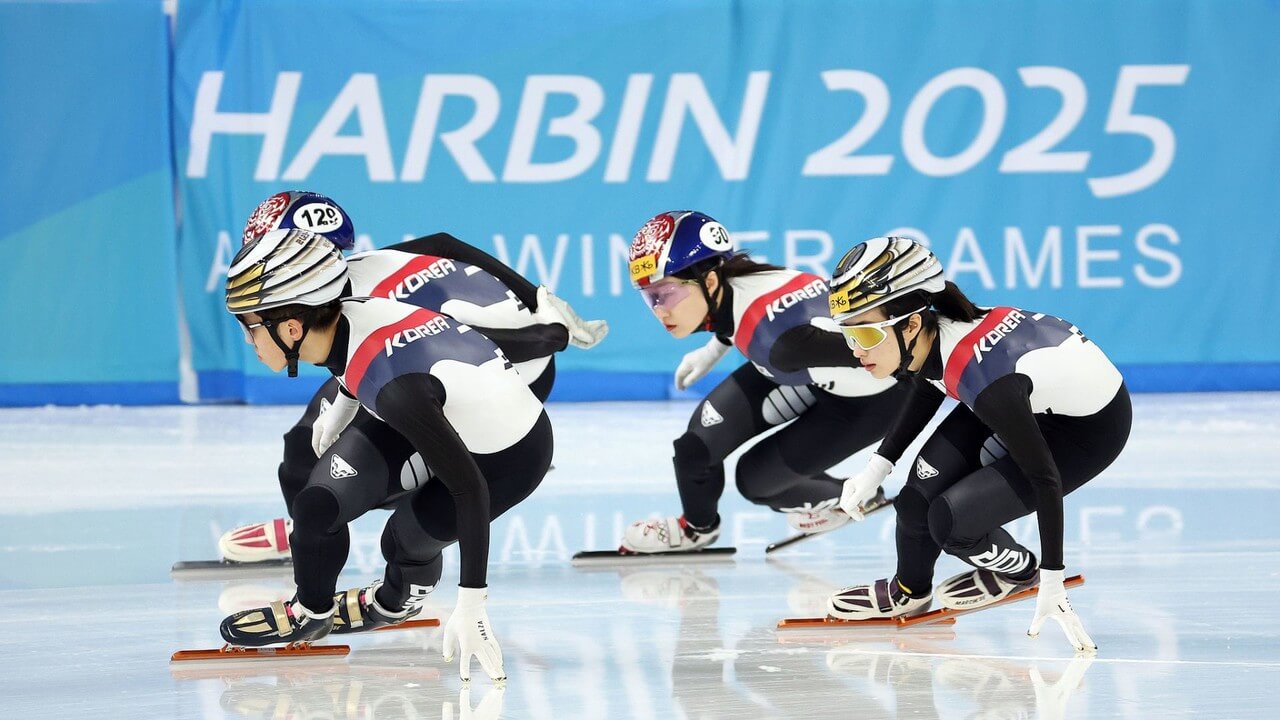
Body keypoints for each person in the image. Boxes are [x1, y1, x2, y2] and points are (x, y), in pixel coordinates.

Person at [220, 228, 555, 682]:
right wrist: (340, 410)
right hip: (437, 408)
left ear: (292, 328)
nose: (248, 341)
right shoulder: (347, 317)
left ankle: (395, 601)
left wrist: (472, 602)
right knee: (316, 507)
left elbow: (469, 489)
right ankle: (310, 611)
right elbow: (350, 361)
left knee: (401, 542)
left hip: (507, 458)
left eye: (250, 328)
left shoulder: (396, 388)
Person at [218, 191, 605, 565]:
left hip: (504, 371)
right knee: (303, 443)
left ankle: (427, 492)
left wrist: (551, 333)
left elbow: (475, 345)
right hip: (451, 357)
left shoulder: (370, 302)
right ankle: (309, 530)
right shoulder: (355, 272)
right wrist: (536, 296)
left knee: (354, 457)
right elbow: (443, 243)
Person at [824, 237, 1131, 653]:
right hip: (1028, 400)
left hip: (1085, 432)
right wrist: (876, 468)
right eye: (848, 335)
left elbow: (1045, 479)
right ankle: (909, 591)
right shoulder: (937, 335)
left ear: (911, 324)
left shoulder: (987, 381)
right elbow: (929, 384)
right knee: (915, 501)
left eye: (865, 333)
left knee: (952, 524)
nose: (857, 351)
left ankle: (1020, 570)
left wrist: (1052, 578)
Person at [618, 211, 904, 554]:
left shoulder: (779, 342)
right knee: (696, 450)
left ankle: (852, 495)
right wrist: (712, 350)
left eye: (666, 294)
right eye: (650, 297)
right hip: (800, 369)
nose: (660, 311)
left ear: (710, 281)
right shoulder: (740, 282)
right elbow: (738, 317)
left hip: (868, 403)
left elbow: (896, 350)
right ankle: (696, 529)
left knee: (756, 481)